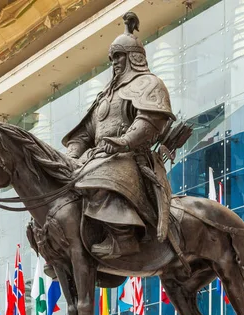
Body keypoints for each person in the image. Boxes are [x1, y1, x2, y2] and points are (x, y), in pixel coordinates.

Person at [62, 12, 175, 260]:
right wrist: (72, 154)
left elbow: (150, 119)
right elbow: (85, 133)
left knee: (102, 175)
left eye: (119, 57)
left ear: (133, 57)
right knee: (61, 184)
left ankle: (122, 237)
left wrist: (124, 142)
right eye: (112, 58)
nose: (114, 63)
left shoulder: (149, 84)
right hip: (98, 155)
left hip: (132, 157)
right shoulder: (105, 96)